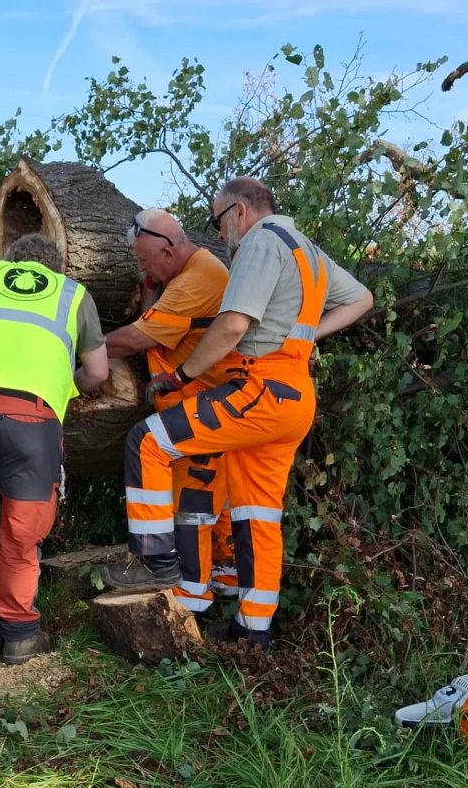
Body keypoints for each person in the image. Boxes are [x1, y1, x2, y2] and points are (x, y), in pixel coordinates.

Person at [118, 177, 373, 650]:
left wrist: (182, 377)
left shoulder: (261, 241)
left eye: (218, 222)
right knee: (257, 513)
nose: (219, 234)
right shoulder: (307, 250)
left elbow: (233, 324)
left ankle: (154, 561)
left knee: (149, 441)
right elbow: (362, 298)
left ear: (238, 211)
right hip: (294, 394)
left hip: (259, 388)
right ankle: (253, 632)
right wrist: (304, 339)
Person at [0, 233, 109, 664]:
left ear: (12, 262)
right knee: (21, 533)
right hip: (33, 422)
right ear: (57, 269)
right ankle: (18, 637)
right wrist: (65, 385)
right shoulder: (72, 295)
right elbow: (99, 372)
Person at [100, 210, 239, 610]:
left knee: (188, 503)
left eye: (145, 261)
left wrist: (82, 346)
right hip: (206, 403)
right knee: (208, 505)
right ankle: (222, 582)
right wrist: (150, 282)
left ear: (167, 249)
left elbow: (136, 338)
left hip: (202, 406)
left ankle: (175, 584)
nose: (142, 269)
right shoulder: (186, 273)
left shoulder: (195, 282)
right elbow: (152, 318)